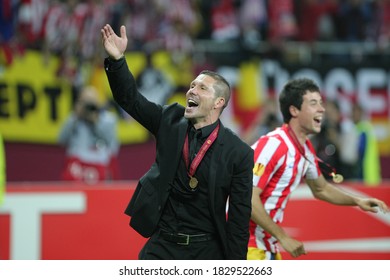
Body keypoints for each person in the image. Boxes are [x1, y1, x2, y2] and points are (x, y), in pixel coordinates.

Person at [101, 24, 253, 260]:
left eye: (202, 88)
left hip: (207, 251)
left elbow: (239, 218)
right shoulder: (169, 119)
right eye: (192, 85)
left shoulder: (239, 153)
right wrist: (118, 60)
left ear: (218, 103)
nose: (192, 90)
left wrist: (236, 267)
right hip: (162, 245)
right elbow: (130, 100)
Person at [248, 78, 389, 260]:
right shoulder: (273, 145)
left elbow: (321, 188)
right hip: (245, 245)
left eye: (321, 103)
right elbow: (247, 197)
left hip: (266, 246)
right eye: (313, 103)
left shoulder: (305, 149)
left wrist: (358, 201)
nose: (322, 109)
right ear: (294, 110)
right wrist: (283, 237)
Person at [58, 85, 120, 184]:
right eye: (85, 102)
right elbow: (61, 140)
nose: (88, 107)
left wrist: (96, 122)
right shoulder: (74, 119)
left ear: (98, 102)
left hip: (100, 166)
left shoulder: (108, 120)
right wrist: (76, 116)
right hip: (77, 167)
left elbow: (113, 146)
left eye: (92, 102)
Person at [351, 103, 381, 186]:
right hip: (369, 172)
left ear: (361, 114)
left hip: (366, 172)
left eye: (356, 113)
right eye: (352, 113)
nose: (353, 115)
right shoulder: (362, 128)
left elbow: (360, 151)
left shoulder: (363, 130)